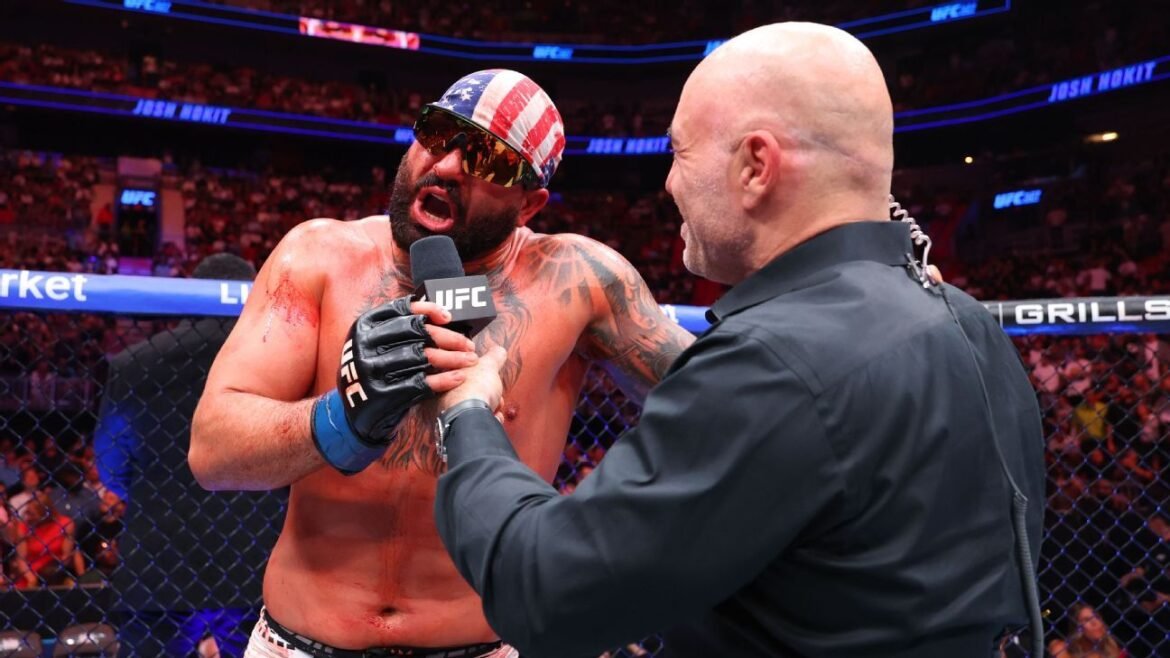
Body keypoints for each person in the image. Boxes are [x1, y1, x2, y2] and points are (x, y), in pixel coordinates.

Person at [431, 22, 1046, 658]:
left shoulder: (775, 362)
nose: (668, 183)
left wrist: (468, 415)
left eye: (679, 153)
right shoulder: (970, 323)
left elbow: (546, 593)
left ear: (756, 166)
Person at [188, 69, 694, 657]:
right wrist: (341, 417)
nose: (449, 166)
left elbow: (725, 401)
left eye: (488, 159)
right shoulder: (318, 257)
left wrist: (603, 537)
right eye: (437, 133)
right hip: (298, 643)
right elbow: (212, 454)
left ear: (529, 204)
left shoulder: (578, 281)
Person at [95, 253, 285, 657]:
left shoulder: (136, 362)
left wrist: (157, 492)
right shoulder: (281, 357)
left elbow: (111, 463)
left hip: (159, 554)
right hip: (255, 555)